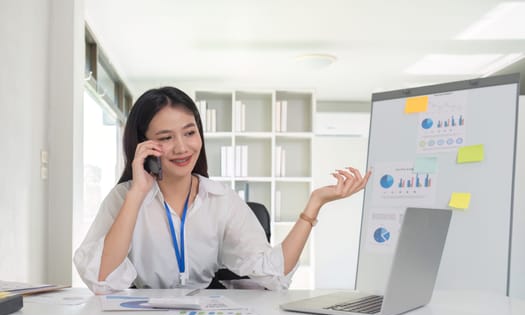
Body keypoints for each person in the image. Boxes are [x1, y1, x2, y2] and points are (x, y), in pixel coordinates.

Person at [74, 86, 371, 294]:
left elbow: (275, 275)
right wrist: (138, 193)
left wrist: (314, 204)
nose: (182, 147)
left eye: (190, 132)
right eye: (165, 137)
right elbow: (102, 281)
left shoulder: (221, 200)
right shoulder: (124, 198)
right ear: (145, 146)